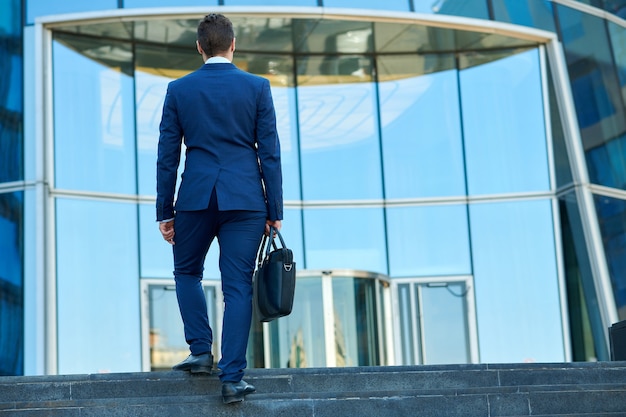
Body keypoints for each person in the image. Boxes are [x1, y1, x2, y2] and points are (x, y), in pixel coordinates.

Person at [155, 13, 283, 404]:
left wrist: (165, 210)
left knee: (186, 272)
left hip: (194, 198)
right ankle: (231, 379)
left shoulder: (179, 90)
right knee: (237, 287)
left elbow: (167, 157)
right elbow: (270, 154)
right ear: (233, 45)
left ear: (199, 47)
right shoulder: (257, 87)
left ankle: (199, 350)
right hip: (245, 200)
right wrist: (274, 209)